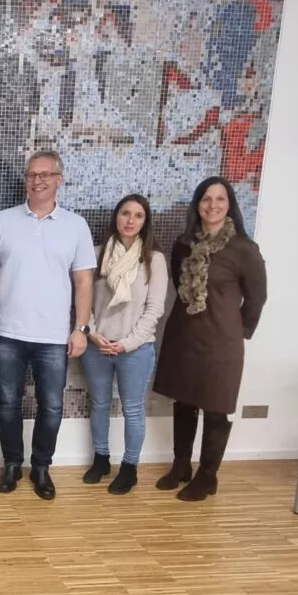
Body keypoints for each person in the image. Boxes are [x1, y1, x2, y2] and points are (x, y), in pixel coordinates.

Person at [0, 150, 95, 500]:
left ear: (59, 179)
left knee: (52, 406)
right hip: (7, 331)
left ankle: (41, 467)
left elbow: (84, 281)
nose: (38, 180)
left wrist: (81, 328)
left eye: (45, 174)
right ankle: (12, 464)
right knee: (8, 403)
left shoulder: (76, 226)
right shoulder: (2, 221)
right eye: (32, 174)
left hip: (54, 336)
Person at [152, 176, 267, 501]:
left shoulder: (244, 249)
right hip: (184, 336)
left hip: (221, 342)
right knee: (184, 401)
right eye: (206, 198)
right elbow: (178, 283)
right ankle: (181, 466)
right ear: (197, 204)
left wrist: (237, 330)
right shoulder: (183, 245)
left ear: (229, 205)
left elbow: (257, 297)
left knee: (216, 407)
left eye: (220, 199)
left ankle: (207, 476)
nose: (212, 205)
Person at [81, 194, 168, 494]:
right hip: (97, 345)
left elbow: (154, 309)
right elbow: (83, 301)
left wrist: (127, 343)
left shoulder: (154, 260)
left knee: (132, 409)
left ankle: (130, 468)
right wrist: (92, 333)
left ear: (145, 221)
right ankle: (101, 459)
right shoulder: (96, 254)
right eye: (125, 213)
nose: (130, 220)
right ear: (116, 217)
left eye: (138, 215)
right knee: (99, 404)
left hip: (136, 350)